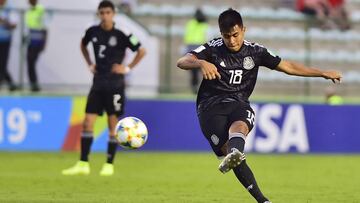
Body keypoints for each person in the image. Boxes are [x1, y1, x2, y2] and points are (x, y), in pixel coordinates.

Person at [177, 8, 341, 203]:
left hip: (238, 102)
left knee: (241, 125)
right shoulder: (212, 48)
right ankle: (257, 192)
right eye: (227, 36)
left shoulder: (256, 51)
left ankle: (260, 195)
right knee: (231, 154)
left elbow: (287, 66)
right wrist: (201, 64)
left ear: (244, 30)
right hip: (210, 107)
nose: (232, 40)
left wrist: (321, 73)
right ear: (221, 34)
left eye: (236, 35)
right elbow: (183, 61)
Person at [62, 0, 146, 176]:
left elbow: (141, 51)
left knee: (112, 125)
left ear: (113, 13)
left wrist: (127, 68)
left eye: (108, 12)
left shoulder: (123, 32)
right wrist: (89, 63)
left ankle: (109, 164)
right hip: (98, 82)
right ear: (99, 14)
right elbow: (82, 45)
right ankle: (83, 163)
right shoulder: (92, 31)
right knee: (87, 123)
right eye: (102, 13)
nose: (105, 16)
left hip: (115, 84)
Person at [183, 8, 209, 93]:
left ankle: (195, 86)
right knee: (202, 67)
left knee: (195, 69)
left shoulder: (190, 23)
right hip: (199, 46)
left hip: (191, 47)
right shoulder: (204, 23)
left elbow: (186, 35)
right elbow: (207, 35)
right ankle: (203, 87)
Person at [25, 0, 47, 92]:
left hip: (38, 41)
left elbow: (45, 28)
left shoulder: (40, 9)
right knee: (30, 63)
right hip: (30, 41)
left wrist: (44, 43)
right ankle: (33, 84)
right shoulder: (28, 10)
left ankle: (34, 84)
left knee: (32, 62)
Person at [0, 0, 17, 91]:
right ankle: (10, 83)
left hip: (5, 40)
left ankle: (9, 83)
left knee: (3, 63)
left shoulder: (10, 7)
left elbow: (14, 25)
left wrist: (3, 22)